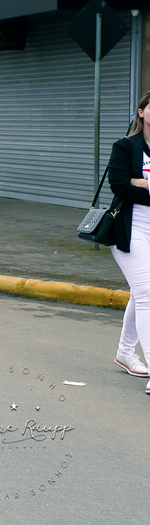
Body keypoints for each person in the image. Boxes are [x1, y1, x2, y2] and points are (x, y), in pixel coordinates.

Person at [109, 90, 150, 387]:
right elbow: (120, 186)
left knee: (141, 292)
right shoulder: (125, 146)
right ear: (141, 112)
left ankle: (125, 352)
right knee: (148, 292)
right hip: (131, 228)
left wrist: (143, 182)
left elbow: (132, 184)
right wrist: (138, 185)